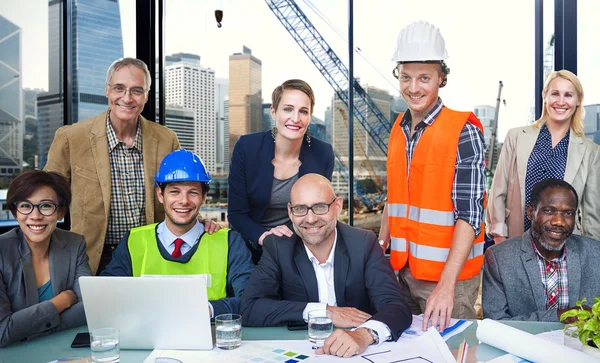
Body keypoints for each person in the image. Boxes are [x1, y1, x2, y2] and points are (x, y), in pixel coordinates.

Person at [44, 57, 218, 275]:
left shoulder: (166, 139)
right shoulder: (71, 138)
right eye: (119, 88)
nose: (127, 98)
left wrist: (199, 221)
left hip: (151, 254)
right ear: (107, 91)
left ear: (146, 95)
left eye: (136, 90)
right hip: (92, 257)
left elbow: (179, 193)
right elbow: (46, 199)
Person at [377, 21, 486, 331]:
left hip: (447, 281)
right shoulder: (398, 128)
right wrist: (381, 251)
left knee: (452, 352)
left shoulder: (463, 130)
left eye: (424, 78)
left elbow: (470, 214)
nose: (414, 88)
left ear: (442, 77)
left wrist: (446, 285)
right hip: (403, 273)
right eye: (407, 77)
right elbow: (395, 199)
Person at [241, 174, 412, 358]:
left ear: (337, 206)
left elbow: (396, 305)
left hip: (358, 355)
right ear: (290, 212)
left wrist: (363, 335)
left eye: (320, 207)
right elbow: (250, 308)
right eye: (300, 209)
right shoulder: (278, 246)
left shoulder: (363, 243)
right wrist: (324, 311)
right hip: (301, 351)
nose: (311, 219)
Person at [102, 150, 254, 317]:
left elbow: (250, 299)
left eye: (193, 192)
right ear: (161, 195)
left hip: (212, 337)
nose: (184, 200)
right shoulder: (134, 241)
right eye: (174, 191)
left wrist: (208, 309)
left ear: (204, 197)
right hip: (147, 339)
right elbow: (107, 296)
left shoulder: (230, 242)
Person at [228, 79, 335, 264]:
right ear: (273, 112)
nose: (295, 118)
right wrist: (265, 236)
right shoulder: (247, 147)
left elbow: (318, 211)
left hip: (298, 247)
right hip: (250, 246)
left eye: (303, 111)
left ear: (310, 116)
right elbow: (236, 214)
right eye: (288, 109)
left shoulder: (322, 153)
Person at [487, 70, 600, 242]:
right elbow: (498, 191)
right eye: (555, 93)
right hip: (516, 241)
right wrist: (500, 240)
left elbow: (592, 216)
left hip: (565, 249)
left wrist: (591, 257)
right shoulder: (516, 137)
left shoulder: (591, 151)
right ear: (545, 96)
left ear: (578, 101)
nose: (560, 101)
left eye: (568, 95)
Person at [483, 179, 600, 321]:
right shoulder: (499, 257)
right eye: (549, 211)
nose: (559, 221)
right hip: (522, 343)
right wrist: (558, 316)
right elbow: (495, 324)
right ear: (530, 212)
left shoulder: (595, 253)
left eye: (568, 213)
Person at [0, 171, 92, 347]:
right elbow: (2, 331)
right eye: (26, 206)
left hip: (60, 351)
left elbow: (88, 309)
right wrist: (60, 302)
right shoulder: (2, 252)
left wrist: (25, 326)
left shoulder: (74, 244)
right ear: (15, 212)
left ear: (61, 212)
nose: (35, 216)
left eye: (46, 206)